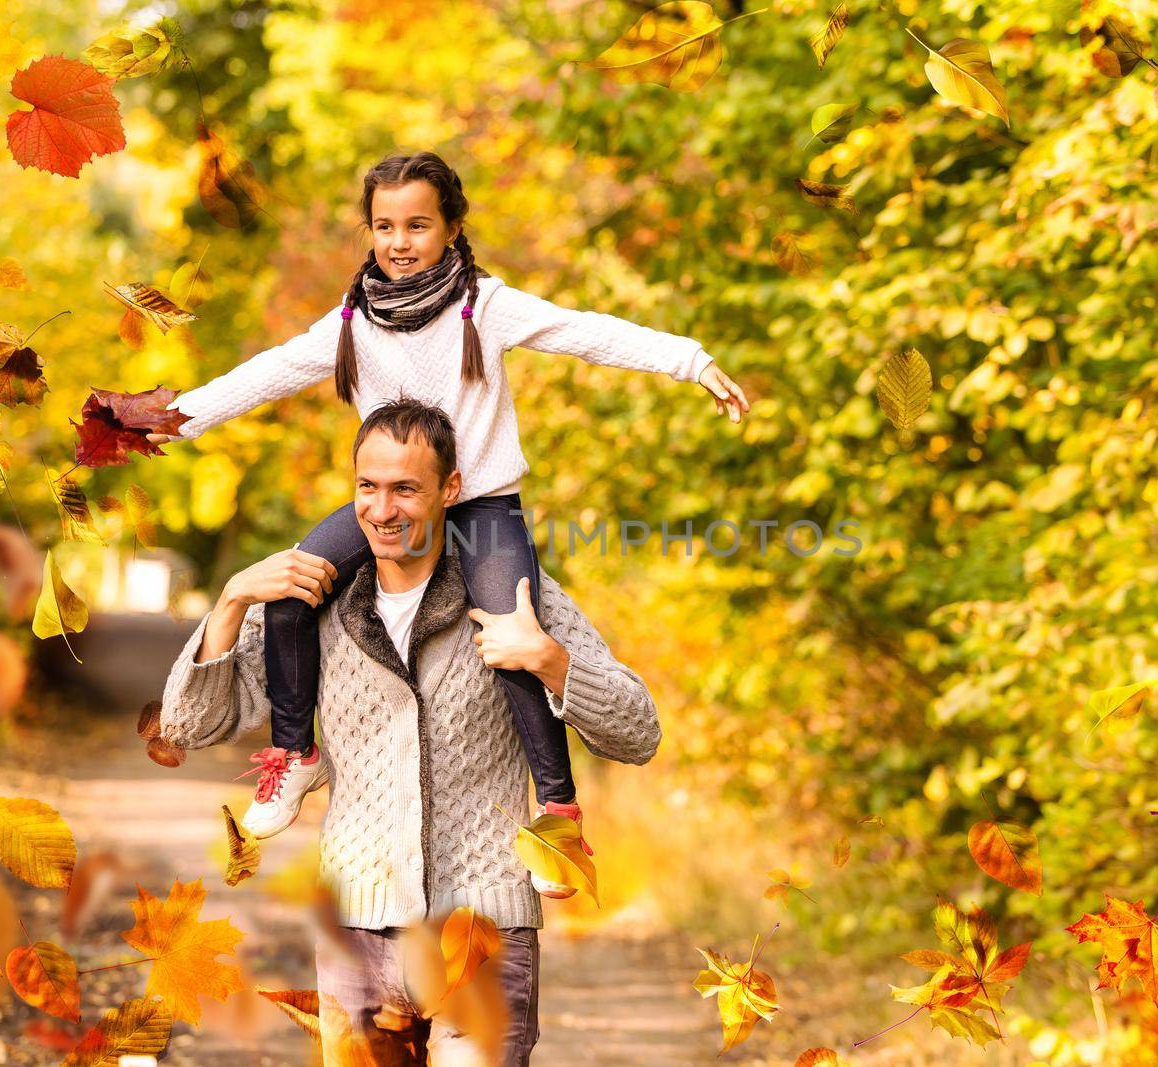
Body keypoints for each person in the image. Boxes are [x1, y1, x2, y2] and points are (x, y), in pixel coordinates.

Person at [153, 151, 747, 898]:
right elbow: (262, 374)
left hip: (483, 506)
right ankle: (295, 752)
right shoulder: (351, 322)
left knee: (513, 638)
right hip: (393, 500)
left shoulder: (486, 306)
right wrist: (162, 422)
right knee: (295, 583)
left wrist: (689, 361)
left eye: (418, 225)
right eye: (384, 226)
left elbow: (585, 331)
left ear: (452, 227)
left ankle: (558, 814)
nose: (399, 241)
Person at [158, 398, 662, 1065]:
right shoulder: (317, 600)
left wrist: (548, 658)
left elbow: (639, 732)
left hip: (481, 933)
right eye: (367, 486)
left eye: (405, 488)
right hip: (356, 935)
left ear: (451, 489)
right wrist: (230, 602)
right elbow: (189, 724)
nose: (382, 508)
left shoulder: (516, 592)